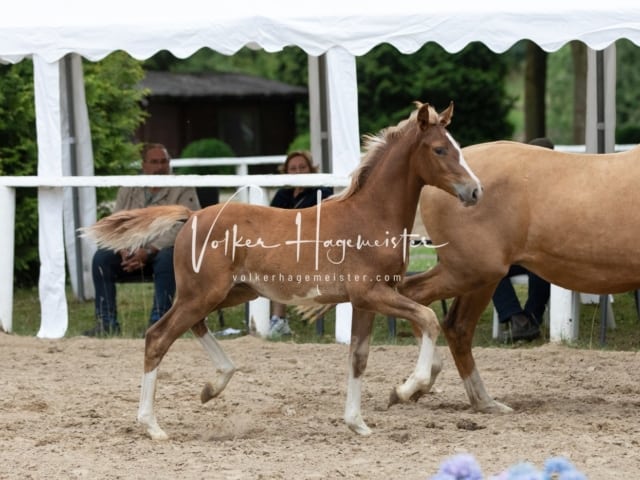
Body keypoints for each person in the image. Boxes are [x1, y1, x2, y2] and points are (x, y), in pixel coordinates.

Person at [84, 143, 201, 336]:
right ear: (143, 165)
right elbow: (118, 221)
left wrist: (149, 250)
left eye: (164, 162)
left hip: (163, 251)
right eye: (154, 162)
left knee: (168, 257)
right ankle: (106, 322)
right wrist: (123, 248)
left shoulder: (182, 187)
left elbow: (186, 224)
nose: (160, 167)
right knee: (101, 258)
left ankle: (159, 324)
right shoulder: (129, 187)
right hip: (131, 251)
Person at [493, 137, 554, 342]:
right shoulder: (514, 188)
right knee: (490, 269)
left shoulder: (557, 191)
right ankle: (517, 317)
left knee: (543, 266)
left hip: (543, 254)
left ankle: (530, 318)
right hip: (514, 255)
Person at [268, 150, 333, 337]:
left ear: (311, 170)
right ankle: (278, 321)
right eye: (293, 168)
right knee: (273, 261)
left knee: (280, 262)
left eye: (302, 167)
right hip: (286, 246)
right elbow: (270, 222)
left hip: (315, 248)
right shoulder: (283, 194)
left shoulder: (323, 192)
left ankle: (278, 320)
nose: (298, 172)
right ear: (287, 172)